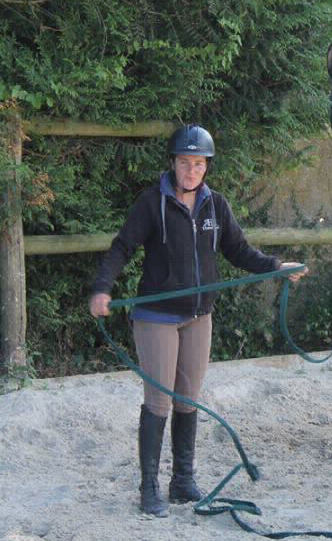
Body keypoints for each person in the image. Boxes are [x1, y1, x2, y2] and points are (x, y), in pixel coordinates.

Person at [88, 124, 308, 517]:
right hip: (156, 317)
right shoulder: (150, 203)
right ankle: (149, 487)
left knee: (188, 400)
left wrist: (276, 266)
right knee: (159, 401)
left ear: (207, 167)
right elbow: (122, 247)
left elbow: (239, 250)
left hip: (199, 315)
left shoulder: (215, 205)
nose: (192, 170)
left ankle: (183, 481)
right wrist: (102, 288)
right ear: (173, 163)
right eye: (185, 162)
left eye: (199, 164)